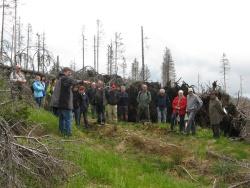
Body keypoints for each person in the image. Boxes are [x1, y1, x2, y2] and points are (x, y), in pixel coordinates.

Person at [57, 67, 87, 136]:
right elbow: (73, 81)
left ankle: (61, 132)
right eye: (69, 72)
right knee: (68, 119)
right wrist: (82, 81)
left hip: (61, 103)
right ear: (66, 71)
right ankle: (68, 134)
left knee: (61, 119)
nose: (70, 74)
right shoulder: (65, 78)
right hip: (66, 103)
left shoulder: (60, 78)